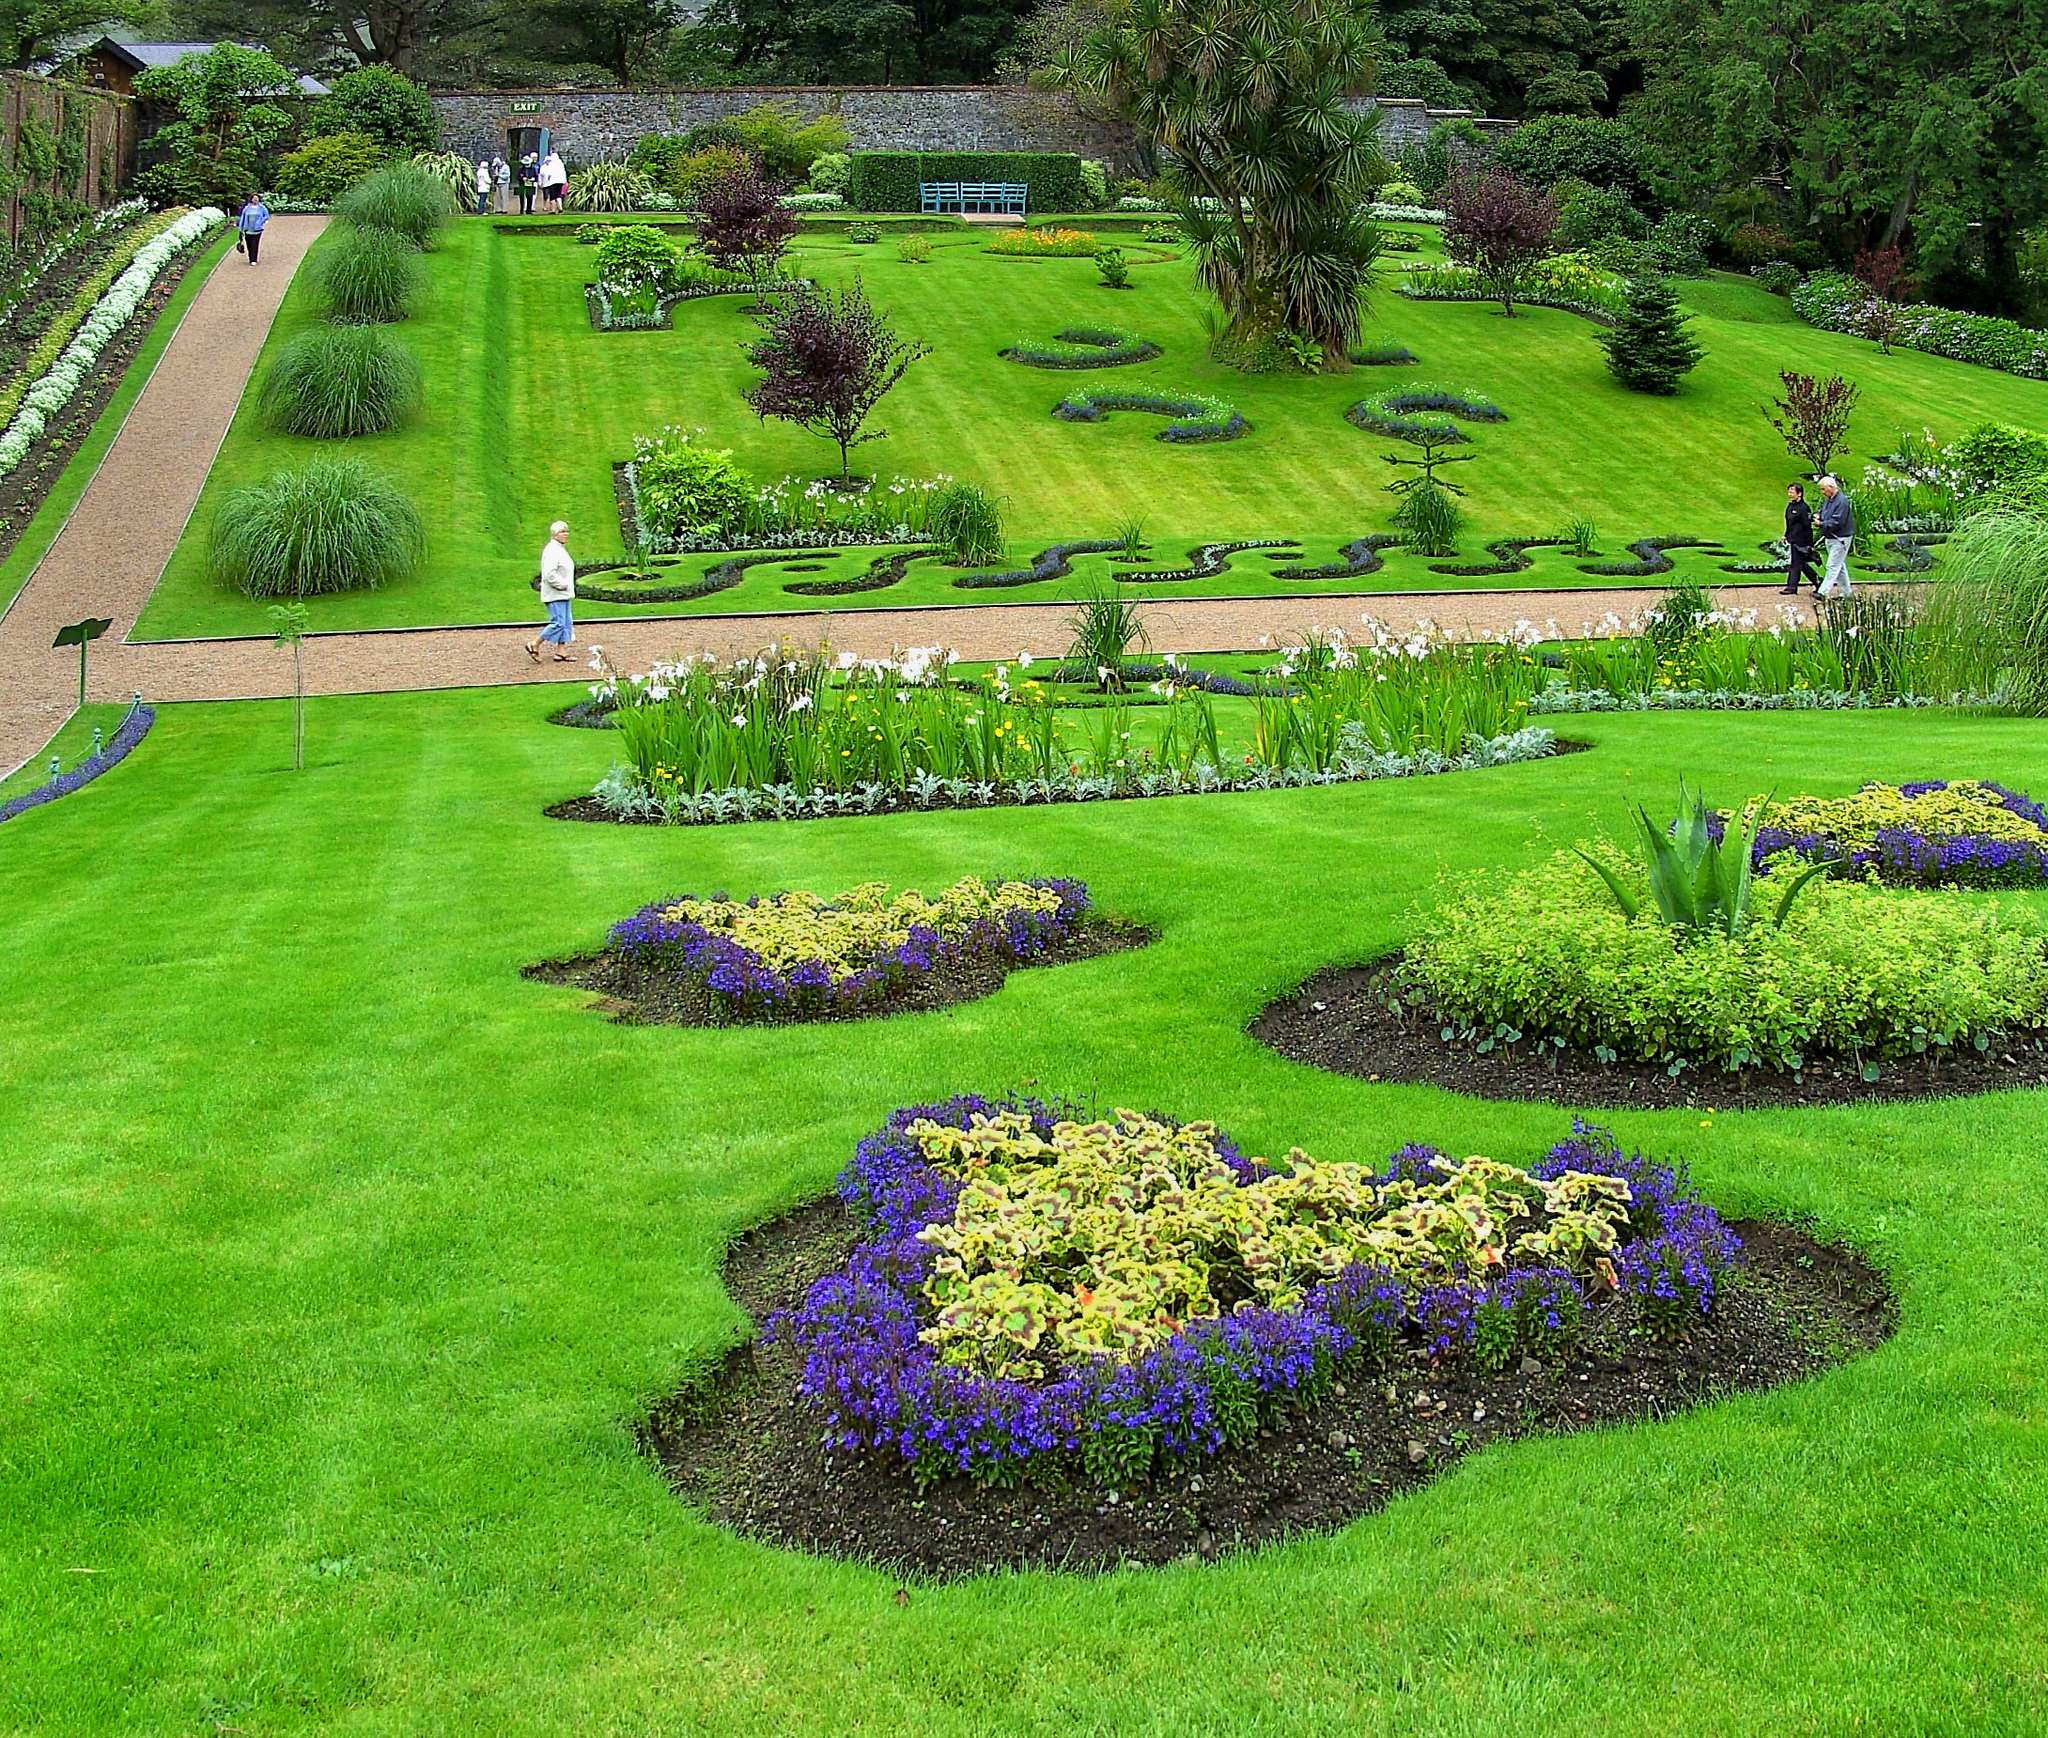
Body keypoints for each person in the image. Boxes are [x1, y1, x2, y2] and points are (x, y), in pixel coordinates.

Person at [528, 521, 576, 663]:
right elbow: (549, 574)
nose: (566, 534)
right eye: (562, 532)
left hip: (563, 593)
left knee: (566, 622)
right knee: (558, 623)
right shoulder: (552, 550)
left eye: (567, 531)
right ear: (555, 534)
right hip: (555, 594)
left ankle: (561, 652)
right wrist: (562, 585)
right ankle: (535, 643)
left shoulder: (560, 549)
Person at [1816, 474, 1854, 599]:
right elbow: (1824, 512)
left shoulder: (1842, 501)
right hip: (1831, 537)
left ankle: (1823, 592)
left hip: (1840, 538)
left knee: (1832, 565)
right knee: (1839, 566)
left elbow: (1838, 522)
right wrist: (1818, 516)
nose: (1822, 492)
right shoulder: (1829, 499)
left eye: (1823, 489)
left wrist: (1821, 524)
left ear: (1831, 487)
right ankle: (1846, 593)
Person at [1782, 481, 1818, 595]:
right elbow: (1789, 523)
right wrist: (1785, 535)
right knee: (1801, 564)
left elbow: (1807, 526)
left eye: (1792, 492)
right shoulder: (1790, 506)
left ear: (1800, 494)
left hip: (1801, 540)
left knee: (1796, 564)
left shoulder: (1804, 508)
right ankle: (1818, 581)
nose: (1790, 494)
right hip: (1793, 538)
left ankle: (1792, 587)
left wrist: (1809, 544)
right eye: (1789, 491)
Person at [235, 191, 270, 265]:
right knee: (249, 244)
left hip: (257, 229)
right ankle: (250, 257)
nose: (255, 200)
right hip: (247, 229)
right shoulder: (247, 208)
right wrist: (241, 228)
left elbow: (266, 216)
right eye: (254, 198)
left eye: (256, 198)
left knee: (255, 244)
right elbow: (243, 218)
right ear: (251, 199)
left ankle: (254, 259)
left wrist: (261, 221)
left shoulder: (262, 208)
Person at [540, 149, 568, 214]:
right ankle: (560, 208)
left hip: (553, 182)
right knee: (558, 195)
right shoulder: (560, 163)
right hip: (561, 182)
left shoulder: (552, 164)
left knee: (552, 196)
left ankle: (553, 210)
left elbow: (549, 173)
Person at [516, 151, 538, 216]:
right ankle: (522, 210)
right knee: (522, 197)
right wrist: (522, 178)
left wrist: (533, 179)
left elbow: (536, 176)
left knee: (530, 197)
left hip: (530, 184)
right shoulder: (521, 169)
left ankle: (529, 210)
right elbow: (518, 176)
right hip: (522, 184)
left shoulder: (533, 169)